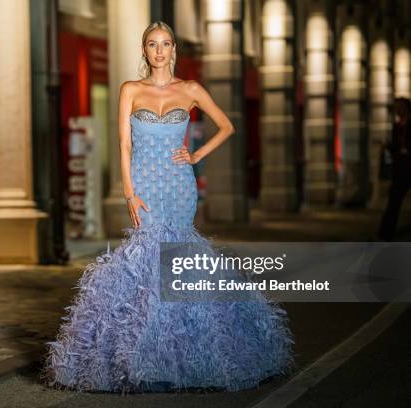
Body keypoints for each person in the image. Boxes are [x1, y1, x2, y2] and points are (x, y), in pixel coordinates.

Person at [43, 21, 294, 393]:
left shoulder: (190, 89)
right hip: (143, 184)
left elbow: (226, 126)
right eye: (151, 44)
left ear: (173, 48)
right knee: (144, 260)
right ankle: (143, 352)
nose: (158, 51)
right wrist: (128, 192)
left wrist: (195, 155)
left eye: (165, 44)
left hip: (178, 186)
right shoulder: (130, 89)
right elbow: (124, 145)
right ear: (144, 50)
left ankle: (184, 354)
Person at [377, 97, 411, 241]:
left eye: (400, 107)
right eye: (396, 107)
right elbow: (395, 147)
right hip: (400, 169)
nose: (397, 110)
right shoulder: (396, 126)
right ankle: (385, 233)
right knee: (393, 202)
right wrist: (387, 146)